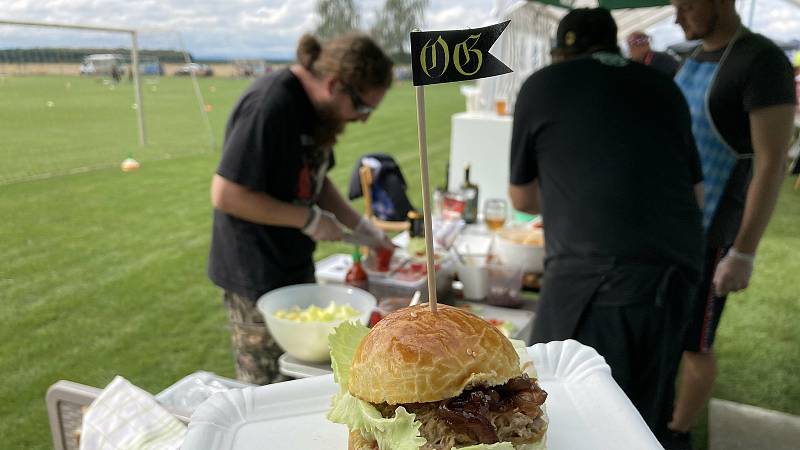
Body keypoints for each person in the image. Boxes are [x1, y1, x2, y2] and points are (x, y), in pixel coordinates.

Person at [508, 8, 704, 445]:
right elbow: (696, 195)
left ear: (560, 53)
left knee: (551, 403)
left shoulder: (542, 85)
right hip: (677, 271)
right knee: (643, 410)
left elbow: (522, 199)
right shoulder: (662, 85)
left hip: (594, 278)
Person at [207, 33, 394, 385]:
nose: (363, 119)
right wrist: (307, 219)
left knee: (305, 378)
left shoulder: (318, 112)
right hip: (254, 272)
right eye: (362, 107)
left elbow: (316, 180)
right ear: (335, 84)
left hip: (293, 264)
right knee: (266, 386)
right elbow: (226, 194)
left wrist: (362, 226)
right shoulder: (270, 106)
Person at [669, 0, 797, 448]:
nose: (677, 17)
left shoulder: (762, 61)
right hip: (676, 229)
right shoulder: (689, 58)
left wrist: (743, 252)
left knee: (696, 343)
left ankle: (678, 432)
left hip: (715, 234)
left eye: (685, 5)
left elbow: (772, 163)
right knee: (669, 331)